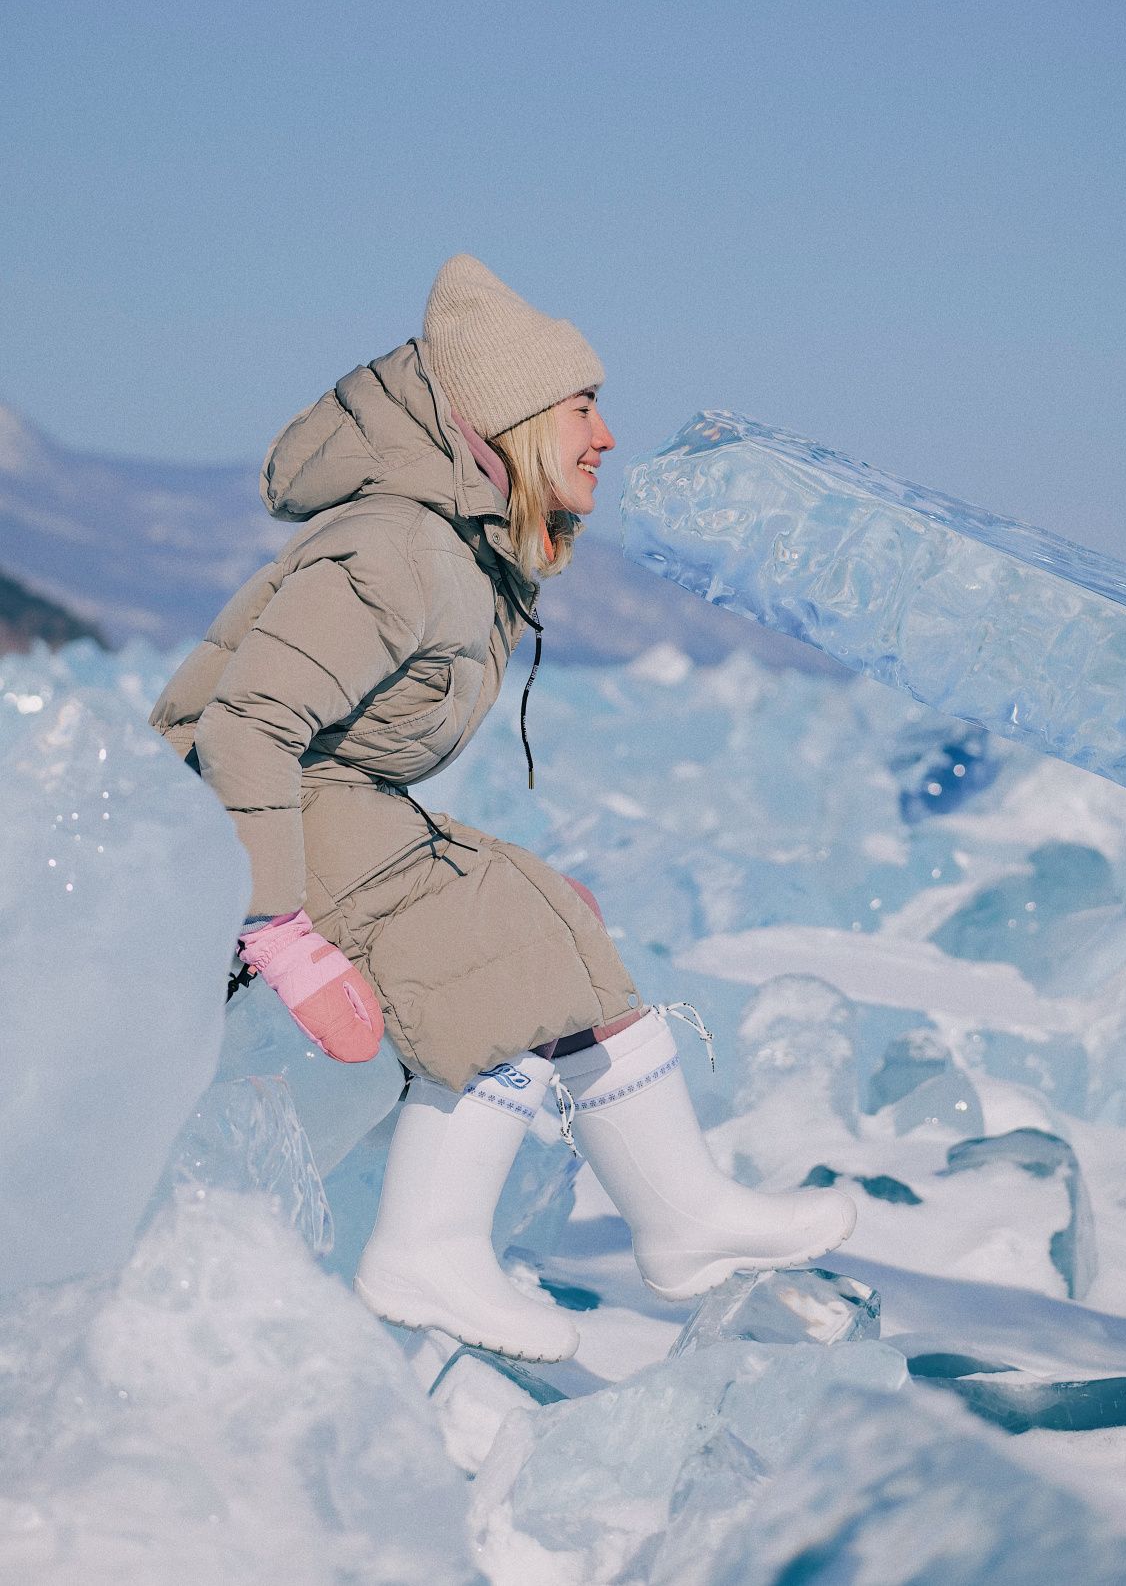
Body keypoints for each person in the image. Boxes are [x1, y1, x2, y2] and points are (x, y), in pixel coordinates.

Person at [151, 255, 855, 1362]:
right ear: (515, 419)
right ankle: (425, 1251)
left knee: (548, 914)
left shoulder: (461, 549)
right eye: (584, 405)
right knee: (494, 946)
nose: (606, 435)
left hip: (339, 799)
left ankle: (681, 1212)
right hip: (252, 802)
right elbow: (245, 728)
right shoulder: (397, 548)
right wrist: (277, 930)